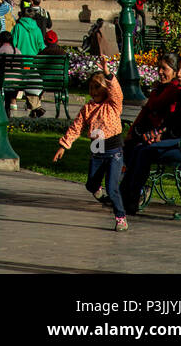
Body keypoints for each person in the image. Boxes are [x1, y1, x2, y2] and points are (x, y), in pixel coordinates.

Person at [122, 55, 181, 217]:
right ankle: (124, 197)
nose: (179, 74)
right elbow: (173, 121)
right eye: (178, 69)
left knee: (146, 151)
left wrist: (162, 137)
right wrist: (157, 133)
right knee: (140, 148)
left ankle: (129, 201)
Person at [54, 56, 128, 230]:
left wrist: (107, 72)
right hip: (97, 147)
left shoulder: (113, 105)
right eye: (91, 87)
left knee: (112, 188)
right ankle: (98, 190)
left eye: (98, 87)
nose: (93, 91)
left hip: (113, 149)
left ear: (106, 90)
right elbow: (76, 127)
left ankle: (120, 217)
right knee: (90, 184)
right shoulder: (87, 108)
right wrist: (64, 145)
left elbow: (116, 91)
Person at [123, 54, 181, 172]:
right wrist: (131, 131)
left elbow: (156, 105)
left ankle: (134, 185)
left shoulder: (174, 88)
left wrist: (154, 91)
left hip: (160, 134)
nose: (160, 72)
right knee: (129, 146)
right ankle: (132, 183)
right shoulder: (163, 87)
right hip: (149, 130)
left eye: (164, 68)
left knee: (137, 149)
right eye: (159, 68)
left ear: (175, 72)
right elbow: (146, 110)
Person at [11, 0, 46, 116]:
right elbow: (41, 46)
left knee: (16, 78)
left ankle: (13, 101)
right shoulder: (37, 29)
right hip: (33, 63)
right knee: (32, 80)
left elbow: (14, 43)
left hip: (20, 63)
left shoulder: (18, 27)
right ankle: (30, 103)